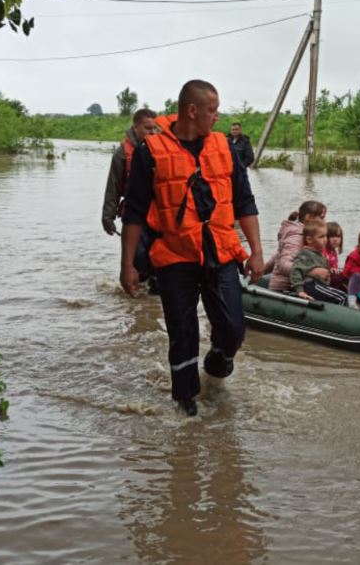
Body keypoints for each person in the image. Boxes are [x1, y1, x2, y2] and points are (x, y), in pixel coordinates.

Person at [120, 80, 265, 416]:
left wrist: (256, 250)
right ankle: (186, 407)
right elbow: (135, 213)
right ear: (192, 110)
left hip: (221, 251)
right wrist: (127, 264)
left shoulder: (225, 147)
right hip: (174, 256)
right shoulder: (150, 152)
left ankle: (217, 362)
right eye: (212, 110)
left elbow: (245, 201)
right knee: (182, 333)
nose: (217, 117)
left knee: (232, 329)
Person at [103, 108, 159, 282]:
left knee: (160, 259)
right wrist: (108, 217)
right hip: (136, 214)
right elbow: (113, 186)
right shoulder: (122, 153)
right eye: (148, 129)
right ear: (136, 127)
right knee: (139, 258)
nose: (153, 133)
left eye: (155, 129)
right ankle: (138, 301)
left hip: (159, 214)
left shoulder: (161, 149)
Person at [263, 200, 326, 292]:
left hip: (300, 284)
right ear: (308, 217)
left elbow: (278, 257)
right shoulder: (297, 236)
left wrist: (262, 271)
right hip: (286, 288)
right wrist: (311, 272)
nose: (324, 221)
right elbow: (283, 263)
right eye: (322, 218)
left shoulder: (308, 235)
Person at [289, 218, 349, 305]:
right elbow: (296, 270)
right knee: (342, 297)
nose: (325, 239)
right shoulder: (306, 254)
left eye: (325, 236)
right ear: (309, 240)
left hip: (320, 285)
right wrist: (300, 291)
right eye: (321, 237)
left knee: (343, 291)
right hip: (310, 285)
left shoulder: (319, 254)